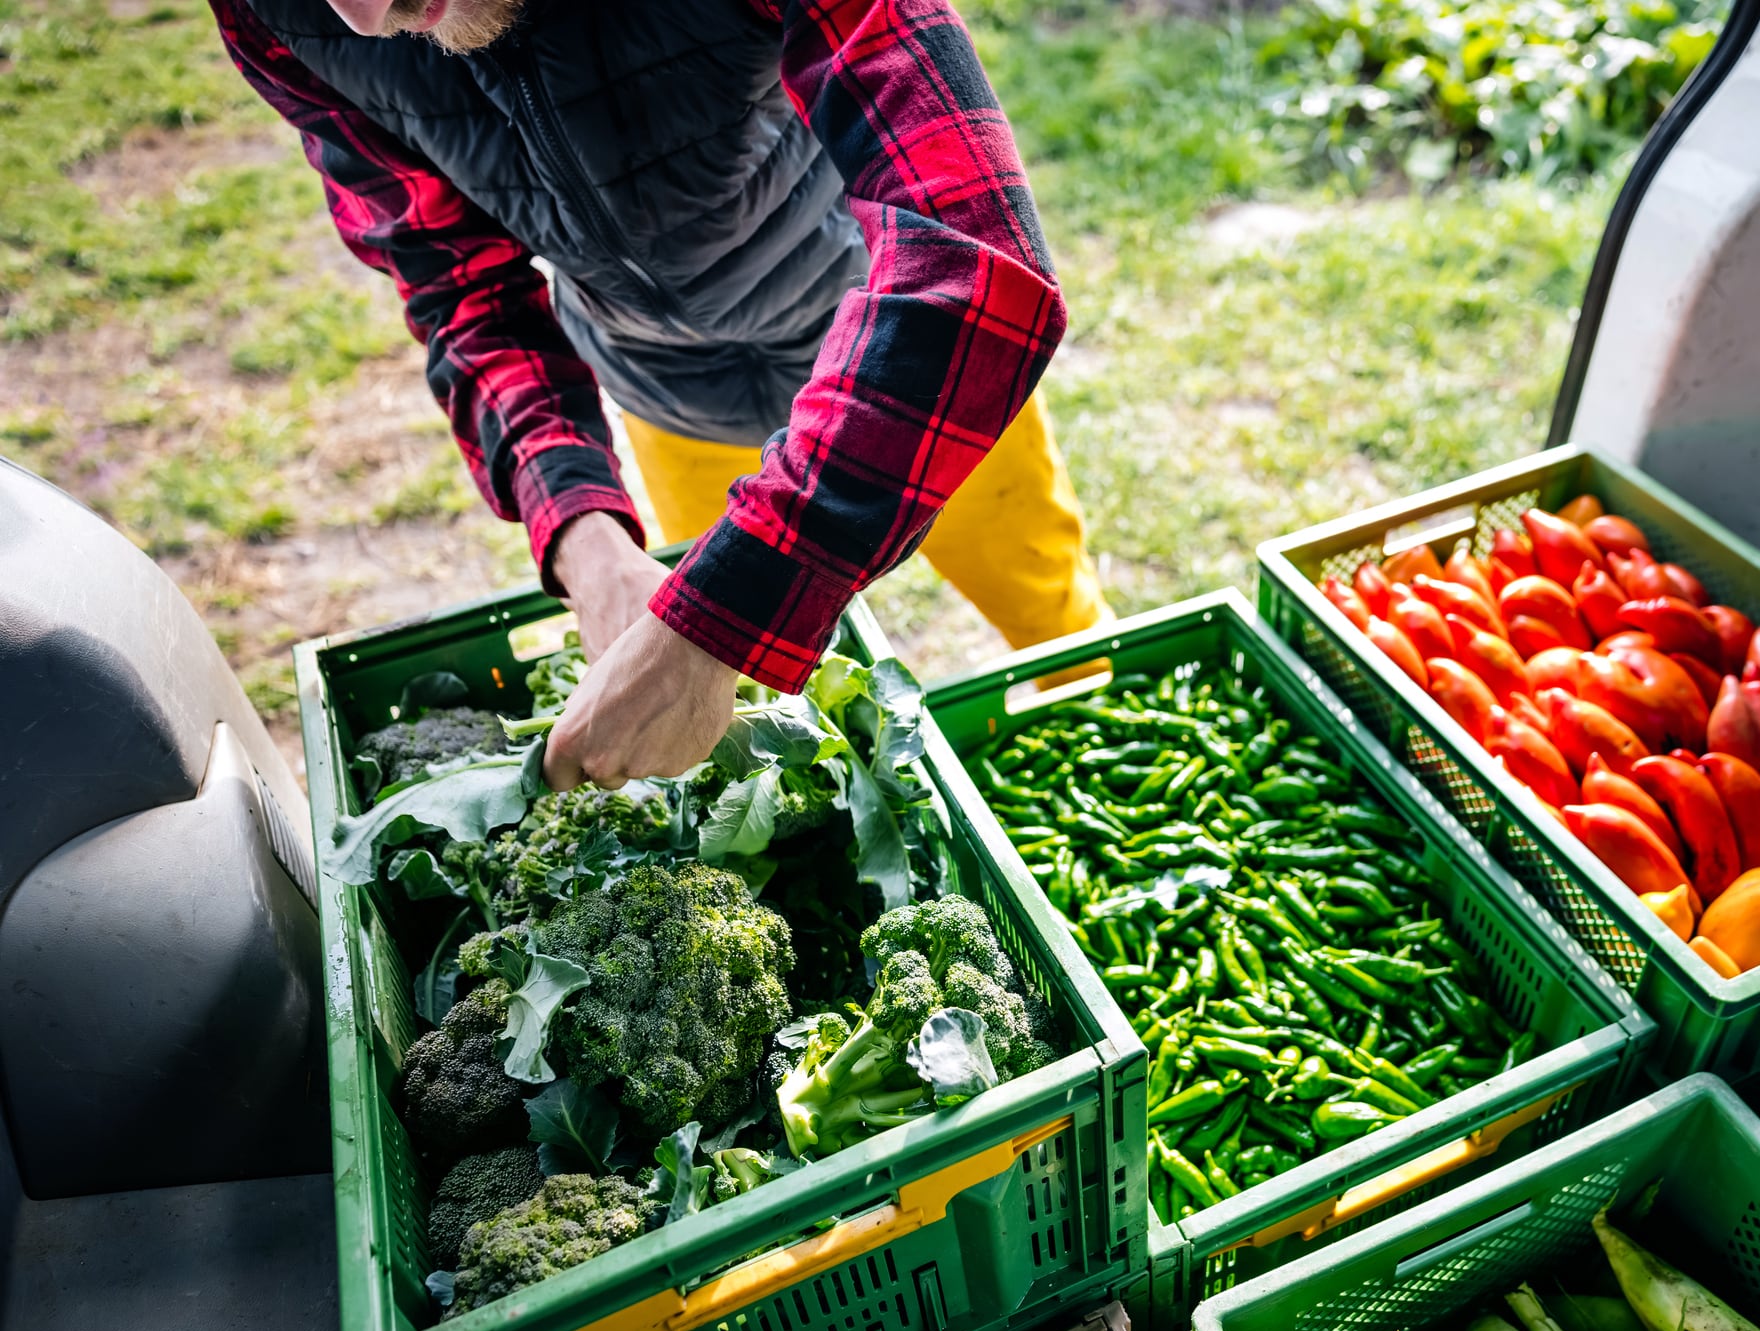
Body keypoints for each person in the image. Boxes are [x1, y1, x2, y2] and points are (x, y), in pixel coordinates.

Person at [210, 0, 1109, 789]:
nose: (363, 17)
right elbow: (459, 285)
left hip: (896, 351)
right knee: (751, 727)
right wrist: (584, 540)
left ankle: (1086, 729)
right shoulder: (276, 13)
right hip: (663, 386)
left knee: (1047, 605)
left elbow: (976, 262)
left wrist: (721, 619)